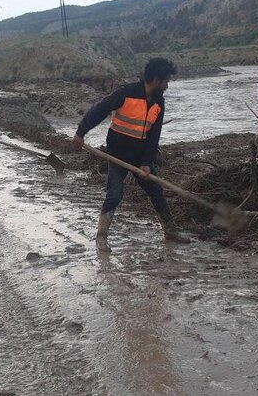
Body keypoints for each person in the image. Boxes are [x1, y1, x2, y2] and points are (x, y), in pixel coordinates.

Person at [72, 58, 190, 251]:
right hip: (117, 154)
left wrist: (146, 162)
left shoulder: (159, 103)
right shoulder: (126, 93)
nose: (167, 86)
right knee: (115, 194)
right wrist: (80, 132)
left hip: (140, 155)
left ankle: (170, 231)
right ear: (155, 79)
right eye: (166, 81)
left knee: (156, 192)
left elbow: (154, 136)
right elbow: (99, 110)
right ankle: (101, 237)